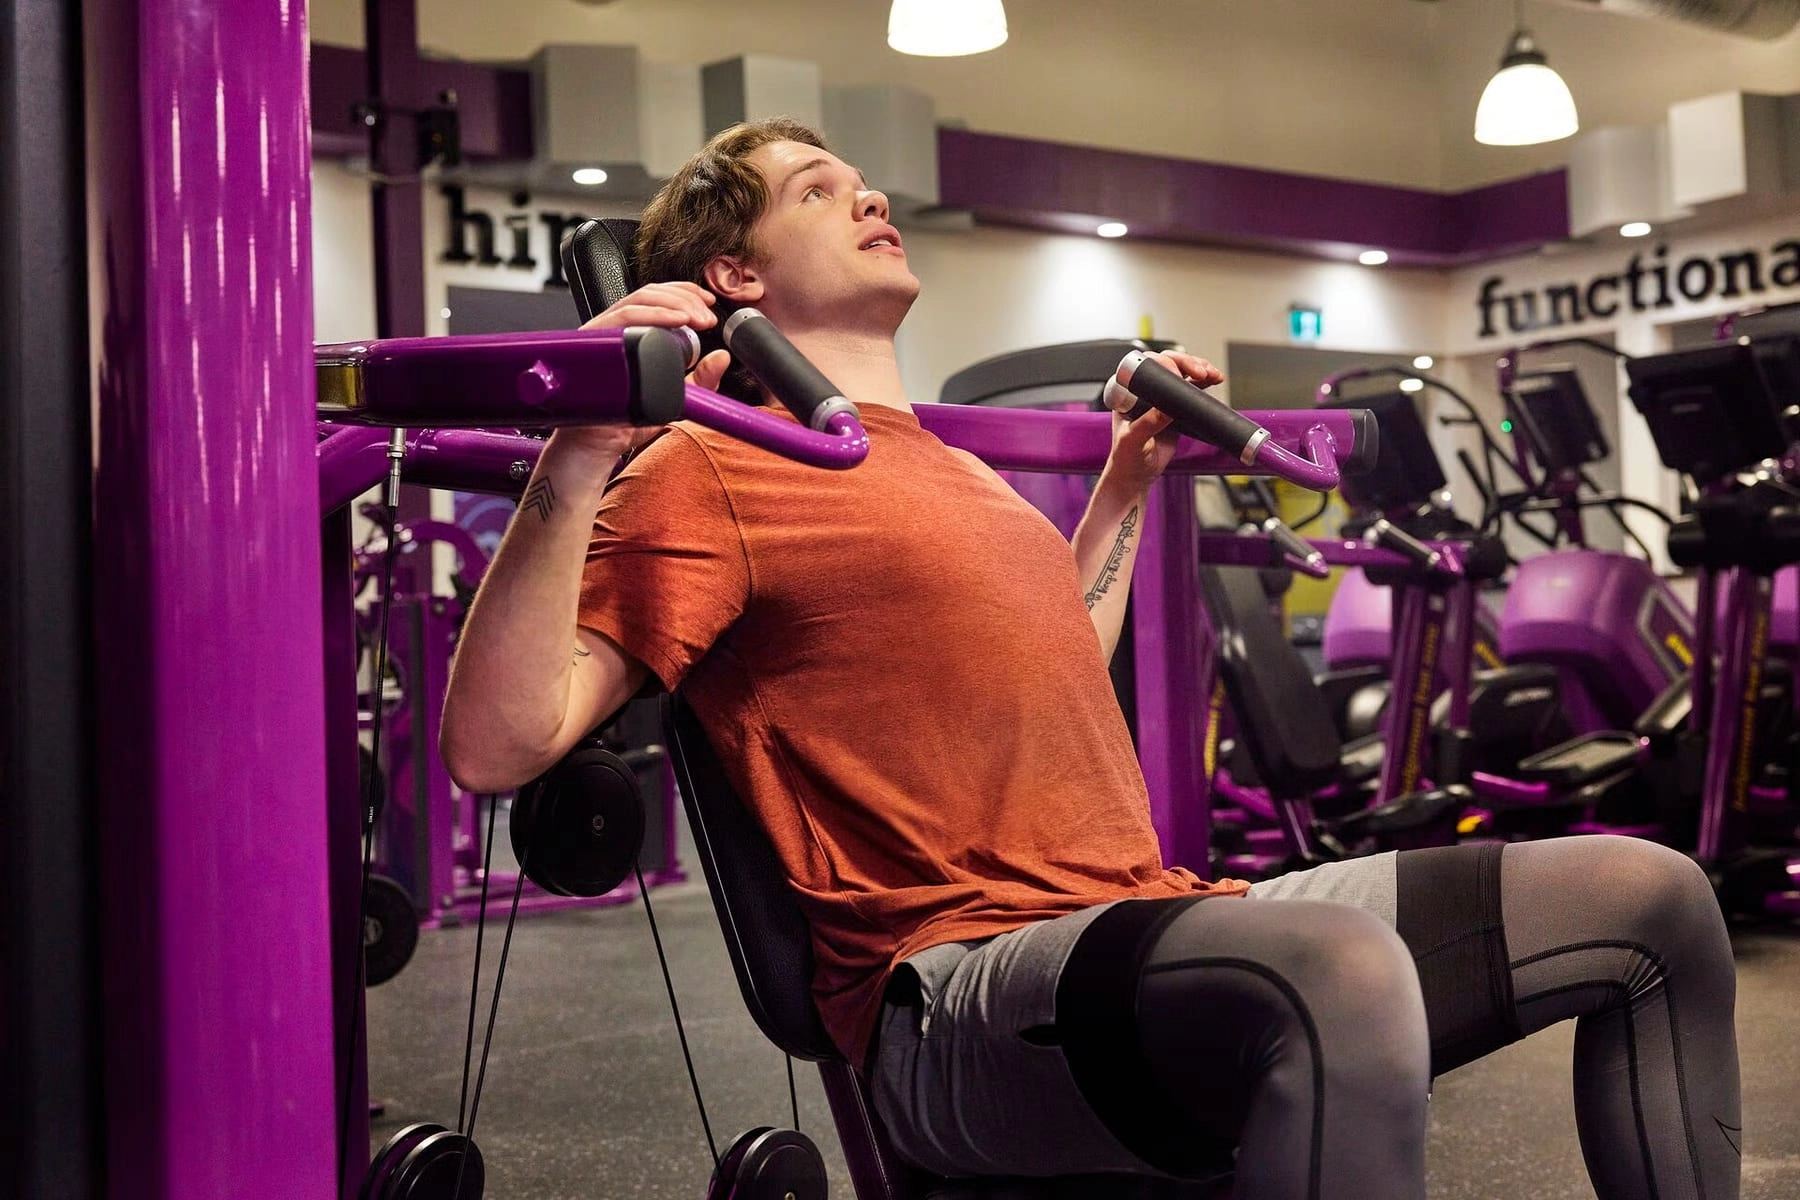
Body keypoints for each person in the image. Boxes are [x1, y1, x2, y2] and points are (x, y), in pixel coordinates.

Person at [440, 118, 1741, 1200]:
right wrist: (581, 440)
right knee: (1336, 978)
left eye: (862, 180)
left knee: (1654, 898)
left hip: (1149, 918)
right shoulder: (705, 469)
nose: (872, 197)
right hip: (957, 992)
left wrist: (1125, 481)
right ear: (736, 274)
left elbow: (1066, 641)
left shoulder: (959, 473)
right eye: (817, 191)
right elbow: (498, 744)